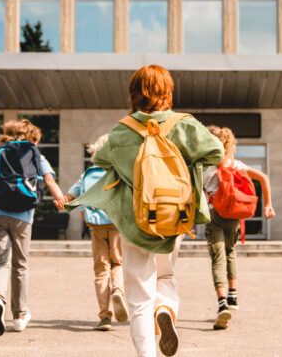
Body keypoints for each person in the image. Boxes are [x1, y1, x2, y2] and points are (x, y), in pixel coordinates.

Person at [65, 65, 224, 357]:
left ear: (133, 93)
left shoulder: (121, 130)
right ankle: (165, 308)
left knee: (138, 296)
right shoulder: (184, 124)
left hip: (134, 220)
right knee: (165, 276)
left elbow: (100, 160)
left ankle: (147, 353)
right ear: (168, 91)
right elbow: (217, 152)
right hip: (175, 215)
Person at [0, 119, 66, 336]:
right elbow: (49, 181)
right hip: (23, 216)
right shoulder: (38, 156)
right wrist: (61, 200)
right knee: (20, 265)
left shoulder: (0, 154)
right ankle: (19, 316)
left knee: (0, 262)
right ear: (33, 139)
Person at [202, 125, 275, 330]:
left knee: (218, 257)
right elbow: (264, 178)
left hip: (214, 215)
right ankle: (233, 296)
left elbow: (196, 194)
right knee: (231, 251)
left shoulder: (206, 168)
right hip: (234, 215)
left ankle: (222, 302)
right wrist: (268, 204)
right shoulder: (237, 164)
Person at [56, 134, 129, 332]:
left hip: (96, 227)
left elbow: (70, 196)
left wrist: (62, 201)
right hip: (116, 225)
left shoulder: (88, 174)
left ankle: (105, 316)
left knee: (101, 269)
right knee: (118, 263)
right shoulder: (120, 172)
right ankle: (118, 290)